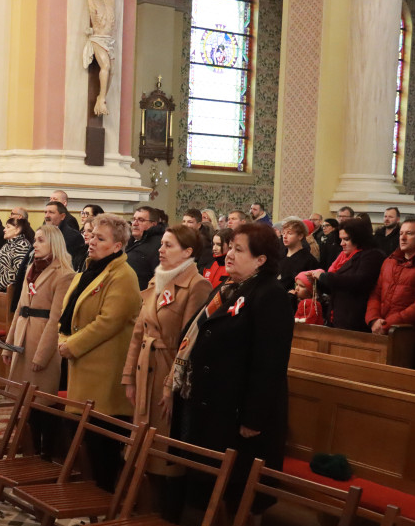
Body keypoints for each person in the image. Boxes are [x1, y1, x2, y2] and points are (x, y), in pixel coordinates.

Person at [170, 223, 294, 508]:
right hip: (214, 406)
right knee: (208, 481)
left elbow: (270, 362)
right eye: (229, 248)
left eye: (238, 250)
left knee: (236, 489)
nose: (228, 255)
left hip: (239, 413)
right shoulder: (227, 289)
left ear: (260, 260)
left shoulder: (269, 295)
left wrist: (253, 417)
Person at [122, 225, 212, 508]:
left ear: (188, 252)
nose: (160, 250)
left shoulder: (197, 285)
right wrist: (128, 377)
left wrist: (170, 386)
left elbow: (189, 342)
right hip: (145, 368)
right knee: (141, 444)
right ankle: (140, 505)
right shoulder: (155, 280)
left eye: (168, 245)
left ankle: (164, 513)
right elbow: (138, 333)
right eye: (161, 244)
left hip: (166, 371)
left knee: (163, 449)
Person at [58, 213, 142, 491]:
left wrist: (72, 344)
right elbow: (68, 310)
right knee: (85, 436)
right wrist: (63, 335)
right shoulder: (89, 268)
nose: (92, 241)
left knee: (102, 440)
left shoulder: (123, 275)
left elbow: (109, 321)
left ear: (117, 246)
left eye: (100, 238)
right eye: (92, 235)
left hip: (104, 371)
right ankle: (90, 494)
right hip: (83, 365)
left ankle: (107, 499)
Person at [45, 0, 156, 116]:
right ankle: (102, 99)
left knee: (112, 71)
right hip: (98, 38)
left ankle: (101, 97)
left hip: (110, 40)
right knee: (105, 66)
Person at [3, 225, 76, 455]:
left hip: (42, 340)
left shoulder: (64, 274)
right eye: (35, 240)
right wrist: (8, 344)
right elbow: (19, 309)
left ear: (53, 243)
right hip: (23, 338)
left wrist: (43, 355)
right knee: (25, 401)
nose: (35, 244)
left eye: (40, 240)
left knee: (43, 401)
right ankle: (30, 448)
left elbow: (57, 319)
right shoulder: (31, 268)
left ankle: (47, 452)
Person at [366, 218, 415, 339]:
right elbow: (376, 293)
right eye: (401, 233)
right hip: (380, 330)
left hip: (410, 336)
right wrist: (373, 319)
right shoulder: (389, 261)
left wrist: (387, 325)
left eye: (409, 233)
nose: (403, 238)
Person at [307, 218, 385, 331]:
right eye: (341, 239)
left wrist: (324, 277)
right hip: (338, 316)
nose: (341, 244)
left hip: (355, 318)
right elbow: (336, 287)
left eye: (346, 239)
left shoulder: (372, 256)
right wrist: (317, 282)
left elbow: (357, 282)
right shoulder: (345, 256)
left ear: (359, 238)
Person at [0, 218, 33, 292]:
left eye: (8, 227)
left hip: (11, 291)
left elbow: (16, 272)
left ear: (18, 230)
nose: (4, 230)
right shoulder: (6, 245)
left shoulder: (22, 245)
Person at [125, 205, 162, 290]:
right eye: (134, 219)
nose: (135, 223)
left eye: (141, 220)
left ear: (153, 224)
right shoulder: (130, 240)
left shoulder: (158, 244)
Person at [276, 220, 318, 294]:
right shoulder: (279, 256)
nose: (285, 236)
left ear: (300, 236)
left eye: (290, 233)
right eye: (283, 233)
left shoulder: (309, 260)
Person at [43, 201, 86, 269]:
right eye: (45, 212)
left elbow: (73, 264)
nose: (47, 216)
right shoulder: (42, 233)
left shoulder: (73, 237)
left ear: (62, 216)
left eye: (51, 212)